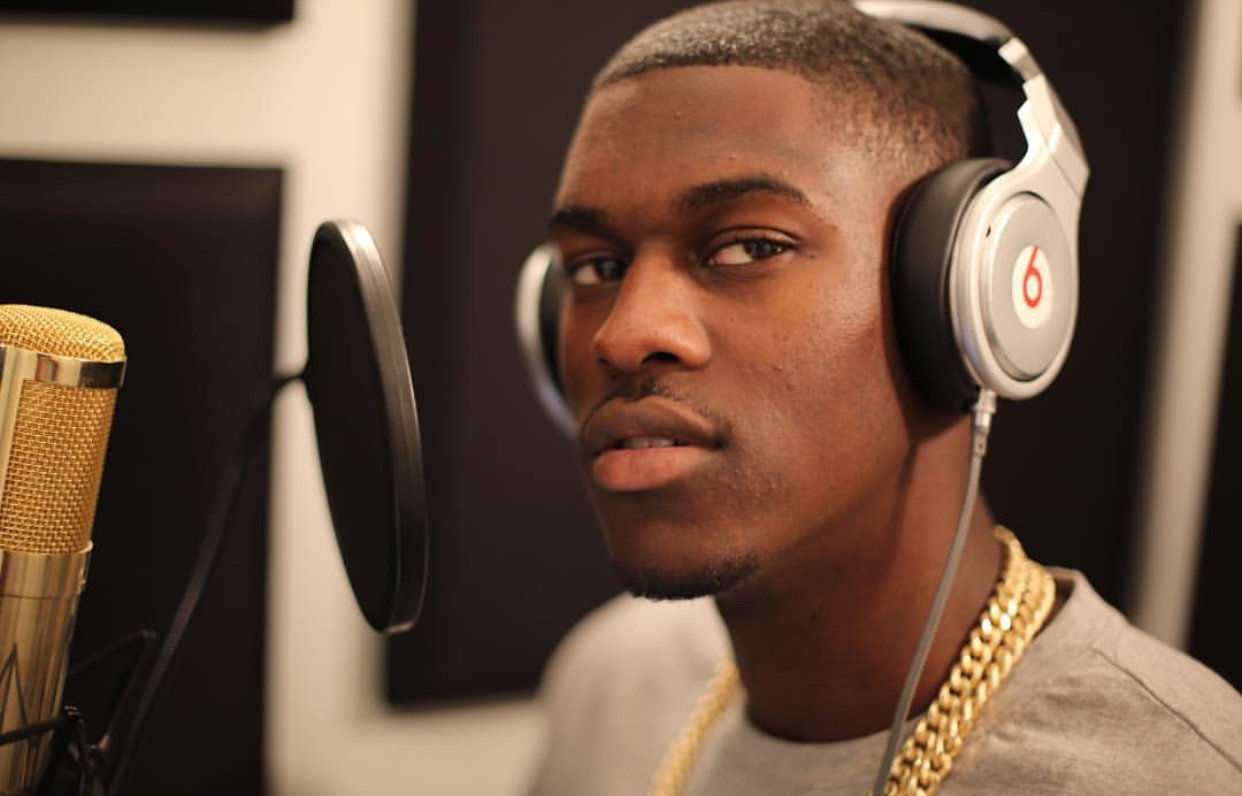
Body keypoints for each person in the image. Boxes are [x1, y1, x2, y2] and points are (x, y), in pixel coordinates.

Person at [524, 1, 1242, 794]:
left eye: (749, 247)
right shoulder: (611, 682)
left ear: (962, 294)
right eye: (596, 267)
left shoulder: (1170, 776)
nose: (624, 335)